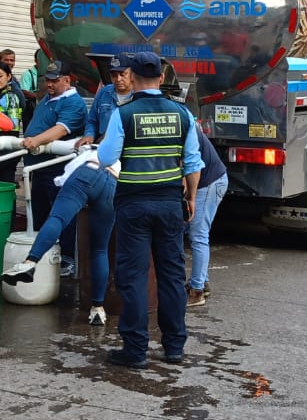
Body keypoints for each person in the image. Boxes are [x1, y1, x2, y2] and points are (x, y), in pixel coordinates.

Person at [97, 52, 203, 369]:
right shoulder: (181, 113)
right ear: (161, 77)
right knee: (171, 276)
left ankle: (135, 349)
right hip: (171, 203)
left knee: (133, 277)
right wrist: (192, 199)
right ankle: (173, 347)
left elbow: (105, 158)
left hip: (133, 205)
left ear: (132, 77)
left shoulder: (124, 113)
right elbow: (194, 163)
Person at [0, 145, 116, 325]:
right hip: (113, 183)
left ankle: (30, 262)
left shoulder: (99, 137)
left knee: (57, 218)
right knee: (100, 250)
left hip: (87, 171)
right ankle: (98, 309)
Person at [17, 61, 88, 276]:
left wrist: (35, 140)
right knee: (40, 213)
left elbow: (60, 130)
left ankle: (67, 259)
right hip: (39, 167)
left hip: (58, 168)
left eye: (54, 80)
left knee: (61, 214)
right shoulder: (48, 99)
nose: (49, 84)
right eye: (47, 80)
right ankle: (41, 256)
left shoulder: (73, 103)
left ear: (67, 80)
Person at [185, 126, 227, 308]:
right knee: (194, 232)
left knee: (198, 235)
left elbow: (188, 168)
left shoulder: (181, 124)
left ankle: (197, 292)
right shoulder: (178, 116)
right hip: (205, 179)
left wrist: (190, 198)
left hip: (208, 182)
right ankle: (201, 281)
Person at [79, 55, 132, 147]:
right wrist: (89, 135)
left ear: (132, 74)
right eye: (114, 75)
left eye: (122, 74)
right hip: (103, 145)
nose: (118, 79)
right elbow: (92, 121)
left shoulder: (139, 95)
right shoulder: (104, 93)